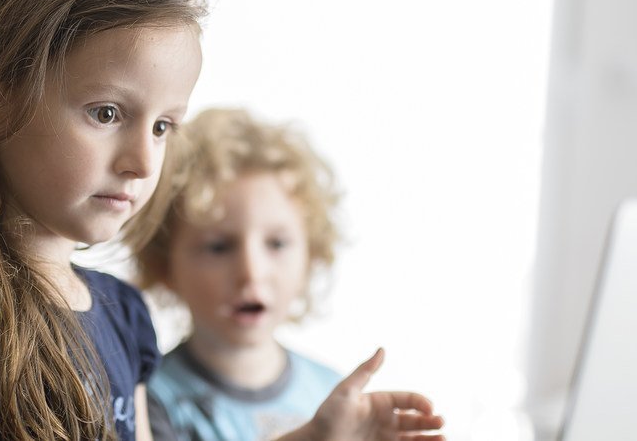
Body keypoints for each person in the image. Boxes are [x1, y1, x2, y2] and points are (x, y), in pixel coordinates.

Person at [0, 0, 441, 441]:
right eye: (106, 113)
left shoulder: (123, 314)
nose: (141, 160)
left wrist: (313, 437)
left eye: (162, 126)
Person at [136, 108, 446, 441]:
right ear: (164, 264)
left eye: (277, 243)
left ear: (310, 255)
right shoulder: (150, 400)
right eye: (219, 247)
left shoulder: (330, 392)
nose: (251, 272)